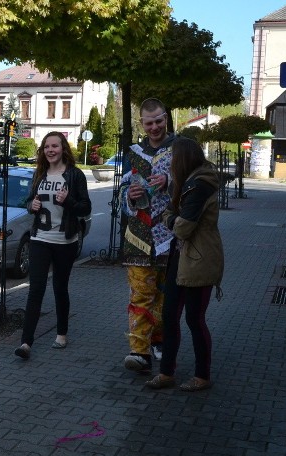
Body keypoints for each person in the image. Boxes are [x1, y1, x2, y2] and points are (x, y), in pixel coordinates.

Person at [146, 137, 224, 391]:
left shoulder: (199, 185)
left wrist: (171, 219)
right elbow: (172, 212)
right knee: (169, 316)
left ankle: (202, 376)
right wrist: (172, 216)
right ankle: (167, 373)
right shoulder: (186, 183)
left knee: (194, 319)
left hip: (198, 258)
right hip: (180, 257)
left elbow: (183, 227)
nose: (169, 165)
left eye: (172, 159)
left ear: (184, 159)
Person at [14, 131, 92, 359]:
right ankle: (26, 343)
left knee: (59, 287)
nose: (50, 150)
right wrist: (32, 205)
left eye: (54, 146)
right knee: (36, 289)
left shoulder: (75, 175)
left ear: (63, 148)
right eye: (46, 146)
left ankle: (61, 333)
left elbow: (85, 207)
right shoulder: (40, 174)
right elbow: (28, 201)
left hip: (65, 241)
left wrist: (68, 201)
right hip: (40, 239)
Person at [120, 98, 176, 374]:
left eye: (159, 121)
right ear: (141, 123)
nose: (154, 127)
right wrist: (129, 197)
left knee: (165, 298)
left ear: (166, 118)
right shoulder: (133, 154)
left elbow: (197, 185)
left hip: (171, 237)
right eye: (149, 122)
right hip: (139, 238)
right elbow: (121, 197)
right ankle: (138, 350)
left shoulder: (181, 150)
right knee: (140, 295)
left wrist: (171, 182)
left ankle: (159, 339)